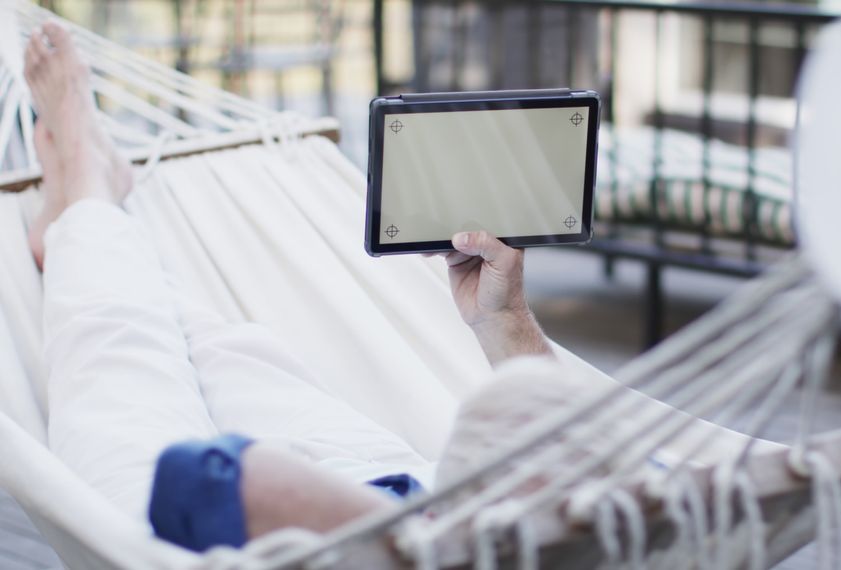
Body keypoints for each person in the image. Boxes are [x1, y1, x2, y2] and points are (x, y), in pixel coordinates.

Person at [22, 21, 559, 552]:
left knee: (125, 358)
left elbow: (201, 480)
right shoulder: (626, 510)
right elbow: (582, 452)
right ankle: (84, 225)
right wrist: (505, 315)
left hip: (378, 535)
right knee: (221, 351)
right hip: (405, 486)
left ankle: (87, 201)